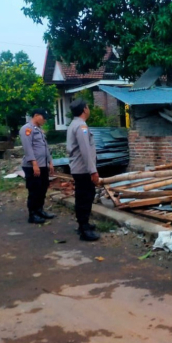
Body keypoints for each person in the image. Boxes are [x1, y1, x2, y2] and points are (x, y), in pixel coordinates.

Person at [67, 99, 100, 241]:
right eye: (88, 107)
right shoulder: (81, 126)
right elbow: (85, 150)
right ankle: (84, 229)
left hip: (79, 168)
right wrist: (93, 171)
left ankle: (83, 223)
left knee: (83, 196)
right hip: (83, 169)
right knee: (85, 197)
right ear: (85, 109)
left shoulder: (74, 124)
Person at [19, 109, 55, 224]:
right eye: (43, 117)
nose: (45, 120)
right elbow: (28, 148)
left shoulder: (38, 130)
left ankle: (40, 210)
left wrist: (50, 162)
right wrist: (34, 164)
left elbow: (45, 147)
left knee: (43, 188)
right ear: (36, 115)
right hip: (32, 166)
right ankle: (32, 214)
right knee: (34, 190)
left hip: (43, 165)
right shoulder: (27, 129)